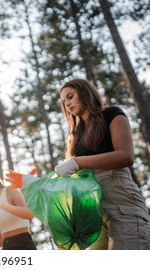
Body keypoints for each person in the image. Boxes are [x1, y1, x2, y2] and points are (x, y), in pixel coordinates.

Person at [55, 78, 150, 250]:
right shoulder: (74, 136)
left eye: (70, 96)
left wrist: (78, 162)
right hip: (93, 213)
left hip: (121, 200)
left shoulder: (112, 114)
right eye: (64, 102)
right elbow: (70, 176)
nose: (67, 104)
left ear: (84, 92)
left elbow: (126, 155)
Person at [0, 164, 37, 250]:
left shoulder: (10, 191)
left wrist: (1, 205)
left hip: (24, 244)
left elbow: (29, 214)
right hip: (6, 247)